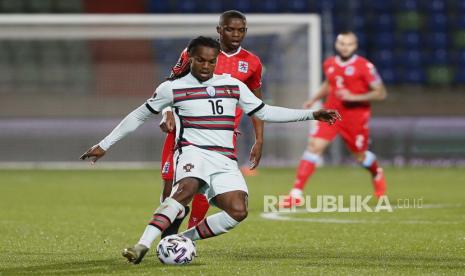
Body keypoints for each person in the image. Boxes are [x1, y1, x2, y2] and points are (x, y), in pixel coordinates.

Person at [80, 36, 341, 264]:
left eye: (211, 61)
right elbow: (137, 116)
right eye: (201, 61)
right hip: (192, 152)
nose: (206, 66)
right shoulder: (173, 88)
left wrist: (312, 114)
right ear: (190, 58)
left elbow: (265, 111)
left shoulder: (233, 85)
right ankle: (142, 245)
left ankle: (179, 239)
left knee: (238, 211)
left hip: (224, 158)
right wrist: (104, 145)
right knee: (185, 190)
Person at [160, 10, 265, 235]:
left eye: (241, 30)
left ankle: (186, 238)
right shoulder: (199, 52)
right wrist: (166, 110)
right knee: (171, 187)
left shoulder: (252, 63)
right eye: (230, 29)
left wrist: (259, 139)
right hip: (185, 130)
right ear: (219, 30)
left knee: (206, 186)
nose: (236, 34)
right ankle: (169, 236)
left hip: (221, 136)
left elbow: (256, 104)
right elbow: (171, 81)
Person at [280, 31, 387, 208]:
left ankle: (376, 172)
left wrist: (354, 97)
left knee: (360, 156)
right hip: (332, 113)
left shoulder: (365, 66)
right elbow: (329, 83)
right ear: (337, 45)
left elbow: (381, 92)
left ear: (355, 46)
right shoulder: (329, 63)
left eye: (349, 44)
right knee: (314, 147)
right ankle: (296, 194)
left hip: (355, 117)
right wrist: (314, 99)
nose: (345, 47)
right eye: (342, 44)